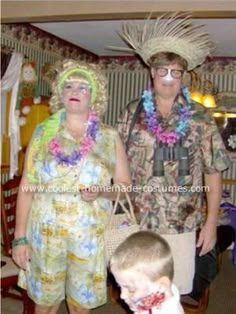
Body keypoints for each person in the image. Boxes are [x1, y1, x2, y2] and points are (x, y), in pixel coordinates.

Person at [113, 13, 231, 295]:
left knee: (173, 295)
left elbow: (213, 173)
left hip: (182, 223)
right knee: (139, 294)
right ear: (152, 72)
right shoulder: (132, 112)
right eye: (162, 70)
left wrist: (212, 224)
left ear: (183, 75)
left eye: (175, 71)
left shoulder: (200, 117)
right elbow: (115, 163)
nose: (168, 77)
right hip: (137, 223)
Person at [12, 59, 131, 314]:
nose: (75, 91)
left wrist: (100, 191)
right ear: (60, 93)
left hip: (89, 239)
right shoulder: (42, 132)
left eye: (83, 87)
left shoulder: (109, 137)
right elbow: (27, 187)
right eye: (69, 85)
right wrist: (19, 238)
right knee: (44, 306)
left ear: (94, 96)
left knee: (80, 308)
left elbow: (124, 187)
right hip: (44, 236)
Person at [110, 231, 184, 314]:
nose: (122, 296)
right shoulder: (159, 295)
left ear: (161, 287)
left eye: (131, 289)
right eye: (119, 286)